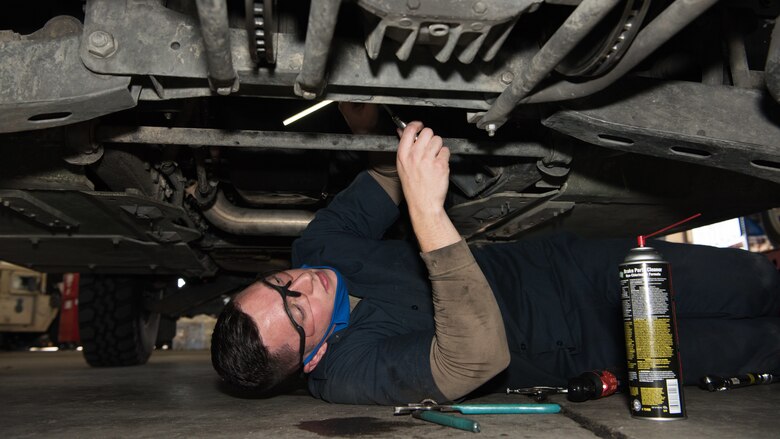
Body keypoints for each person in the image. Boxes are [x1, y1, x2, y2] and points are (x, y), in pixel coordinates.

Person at [211, 103, 780, 404]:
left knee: (751, 281)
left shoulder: (318, 247)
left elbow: (383, 175)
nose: (302, 283)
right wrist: (428, 214)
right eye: (295, 311)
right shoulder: (346, 375)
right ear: (309, 359)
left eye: (280, 281)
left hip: (570, 268)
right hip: (590, 346)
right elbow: (474, 361)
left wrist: (368, 124)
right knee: (756, 344)